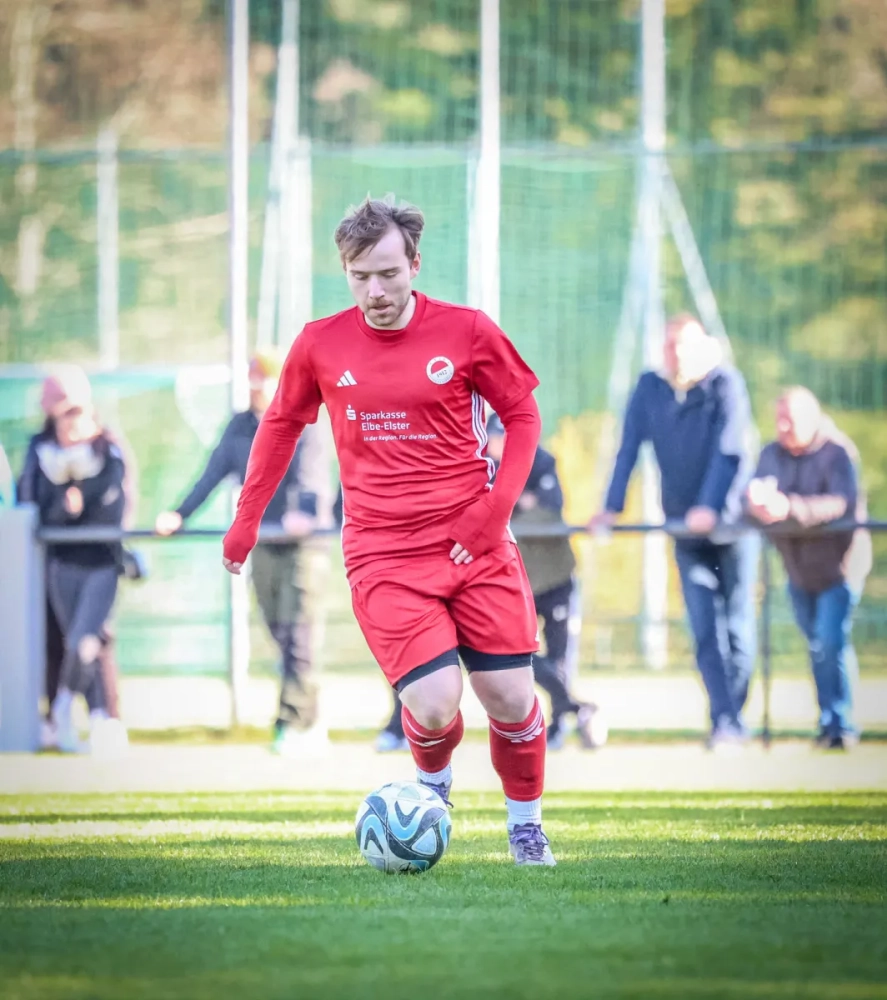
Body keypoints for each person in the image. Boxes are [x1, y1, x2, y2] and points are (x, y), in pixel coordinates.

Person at [223, 196, 555, 866]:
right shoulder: (320, 343)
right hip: (383, 554)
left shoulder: (466, 331)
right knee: (434, 703)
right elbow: (279, 428)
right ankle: (432, 792)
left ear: (414, 265)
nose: (374, 291)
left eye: (387, 274)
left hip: (474, 543)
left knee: (510, 697)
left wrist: (493, 512)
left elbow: (522, 416)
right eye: (359, 276)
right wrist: (245, 520)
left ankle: (526, 827)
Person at [589, 313, 758, 749]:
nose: (676, 353)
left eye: (684, 344)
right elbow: (628, 448)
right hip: (685, 532)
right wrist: (611, 508)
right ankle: (725, 722)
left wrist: (710, 506)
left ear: (703, 347)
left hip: (732, 529)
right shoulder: (650, 388)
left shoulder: (726, 385)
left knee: (739, 630)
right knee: (704, 630)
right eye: (669, 344)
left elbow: (730, 451)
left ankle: (732, 716)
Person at [156, 349, 329, 756]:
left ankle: (293, 723)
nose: (255, 386)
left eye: (262, 378)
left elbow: (312, 475)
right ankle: (310, 717)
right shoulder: (239, 426)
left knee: (299, 635)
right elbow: (212, 472)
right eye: (251, 377)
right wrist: (179, 514)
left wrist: (302, 513)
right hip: (264, 544)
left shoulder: (306, 419)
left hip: (303, 548)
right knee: (278, 631)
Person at [745, 387, 871, 750]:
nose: (783, 427)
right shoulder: (771, 454)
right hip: (798, 571)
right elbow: (749, 496)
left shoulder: (837, 452)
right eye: (779, 419)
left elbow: (840, 503)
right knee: (817, 646)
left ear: (812, 418)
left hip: (839, 569)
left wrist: (790, 508)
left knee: (830, 642)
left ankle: (840, 725)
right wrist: (755, 506)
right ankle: (828, 722)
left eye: (790, 419)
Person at [18, 366, 129, 754]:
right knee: (71, 644)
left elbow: (117, 503)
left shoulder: (109, 449)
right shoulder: (41, 450)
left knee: (87, 642)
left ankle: (75, 711)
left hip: (102, 563)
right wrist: (64, 511)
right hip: (58, 564)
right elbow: (32, 504)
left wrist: (83, 501)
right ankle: (85, 719)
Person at [485, 412, 606, 750]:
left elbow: (549, 514)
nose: (497, 445)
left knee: (560, 657)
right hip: (513, 582)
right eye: (494, 438)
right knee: (514, 653)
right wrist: (517, 503)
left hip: (554, 579)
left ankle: (558, 725)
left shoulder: (540, 461)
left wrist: (506, 507)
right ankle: (576, 708)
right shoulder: (482, 466)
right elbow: (486, 514)